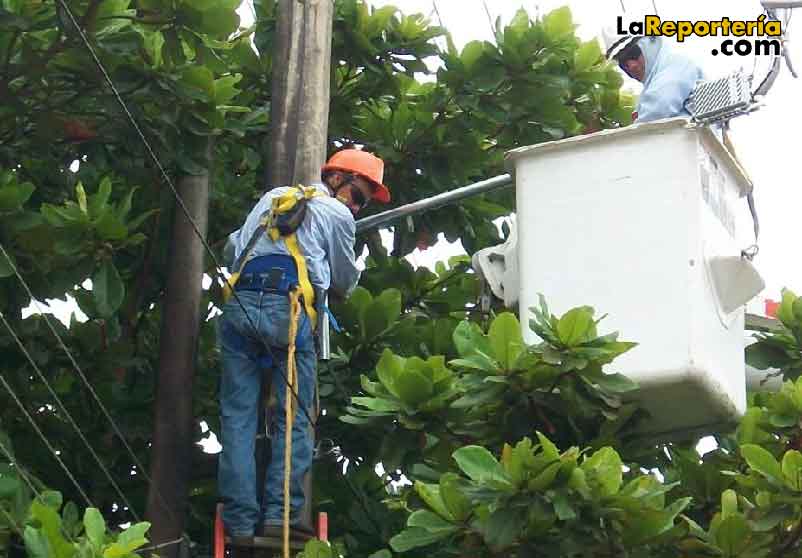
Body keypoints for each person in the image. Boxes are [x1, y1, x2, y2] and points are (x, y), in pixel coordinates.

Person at [217, 149, 391, 540]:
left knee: (238, 415)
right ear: (336, 179)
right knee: (293, 419)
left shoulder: (273, 196)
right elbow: (344, 281)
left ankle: (240, 522)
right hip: (288, 313)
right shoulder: (338, 215)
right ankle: (281, 517)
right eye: (359, 195)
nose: (358, 206)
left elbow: (232, 249)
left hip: (240, 309)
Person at [604, 32, 704, 122]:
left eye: (633, 54)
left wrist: (633, 134)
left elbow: (661, 105)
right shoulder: (650, 88)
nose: (631, 66)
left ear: (652, 41)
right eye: (623, 63)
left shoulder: (677, 63)